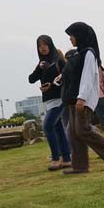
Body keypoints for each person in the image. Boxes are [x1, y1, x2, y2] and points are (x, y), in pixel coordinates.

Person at [60, 22, 104, 174]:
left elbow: (88, 78)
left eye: (72, 36)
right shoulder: (81, 53)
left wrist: (81, 99)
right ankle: (80, 166)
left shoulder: (88, 53)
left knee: (82, 130)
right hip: (76, 98)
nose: (70, 39)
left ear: (80, 36)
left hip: (84, 98)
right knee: (75, 133)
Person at [29, 35, 71, 171]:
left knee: (47, 126)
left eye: (45, 44)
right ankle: (66, 158)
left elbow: (68, 76)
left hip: (60, 98)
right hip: (48, 101)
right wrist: (41, 69)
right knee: (58, 129)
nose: (43, 47)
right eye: (40, 45)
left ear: (50, 45)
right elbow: (31, 79)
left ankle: (56, 157)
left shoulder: (58, 60)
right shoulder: (41, 63)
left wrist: (52, 85)